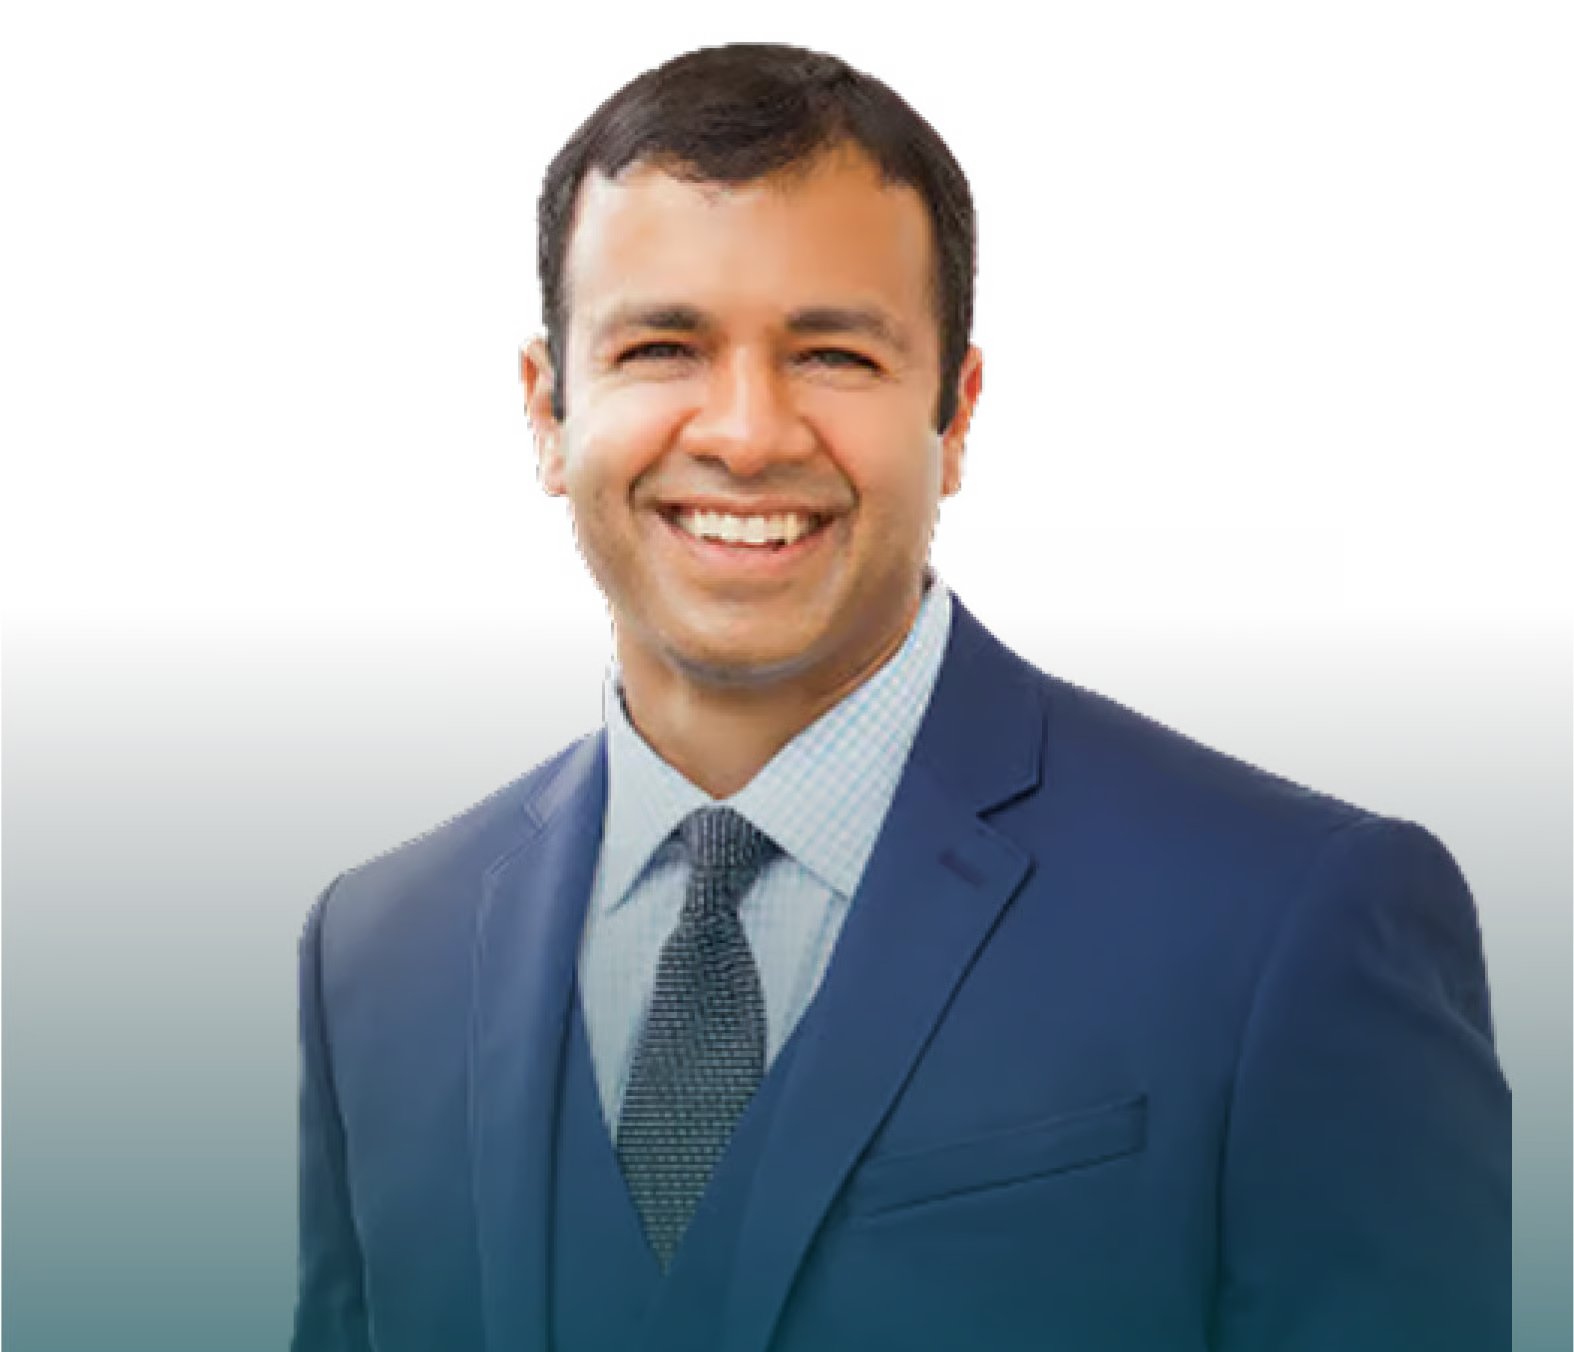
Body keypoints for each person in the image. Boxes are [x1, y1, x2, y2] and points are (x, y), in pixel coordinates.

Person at [294, 41, 1509, 1352]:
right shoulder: (377, 955)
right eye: (661, 346)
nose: (746, 434)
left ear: (957, 412)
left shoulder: (1291, 917)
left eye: (831, 354)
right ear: (545, 409)